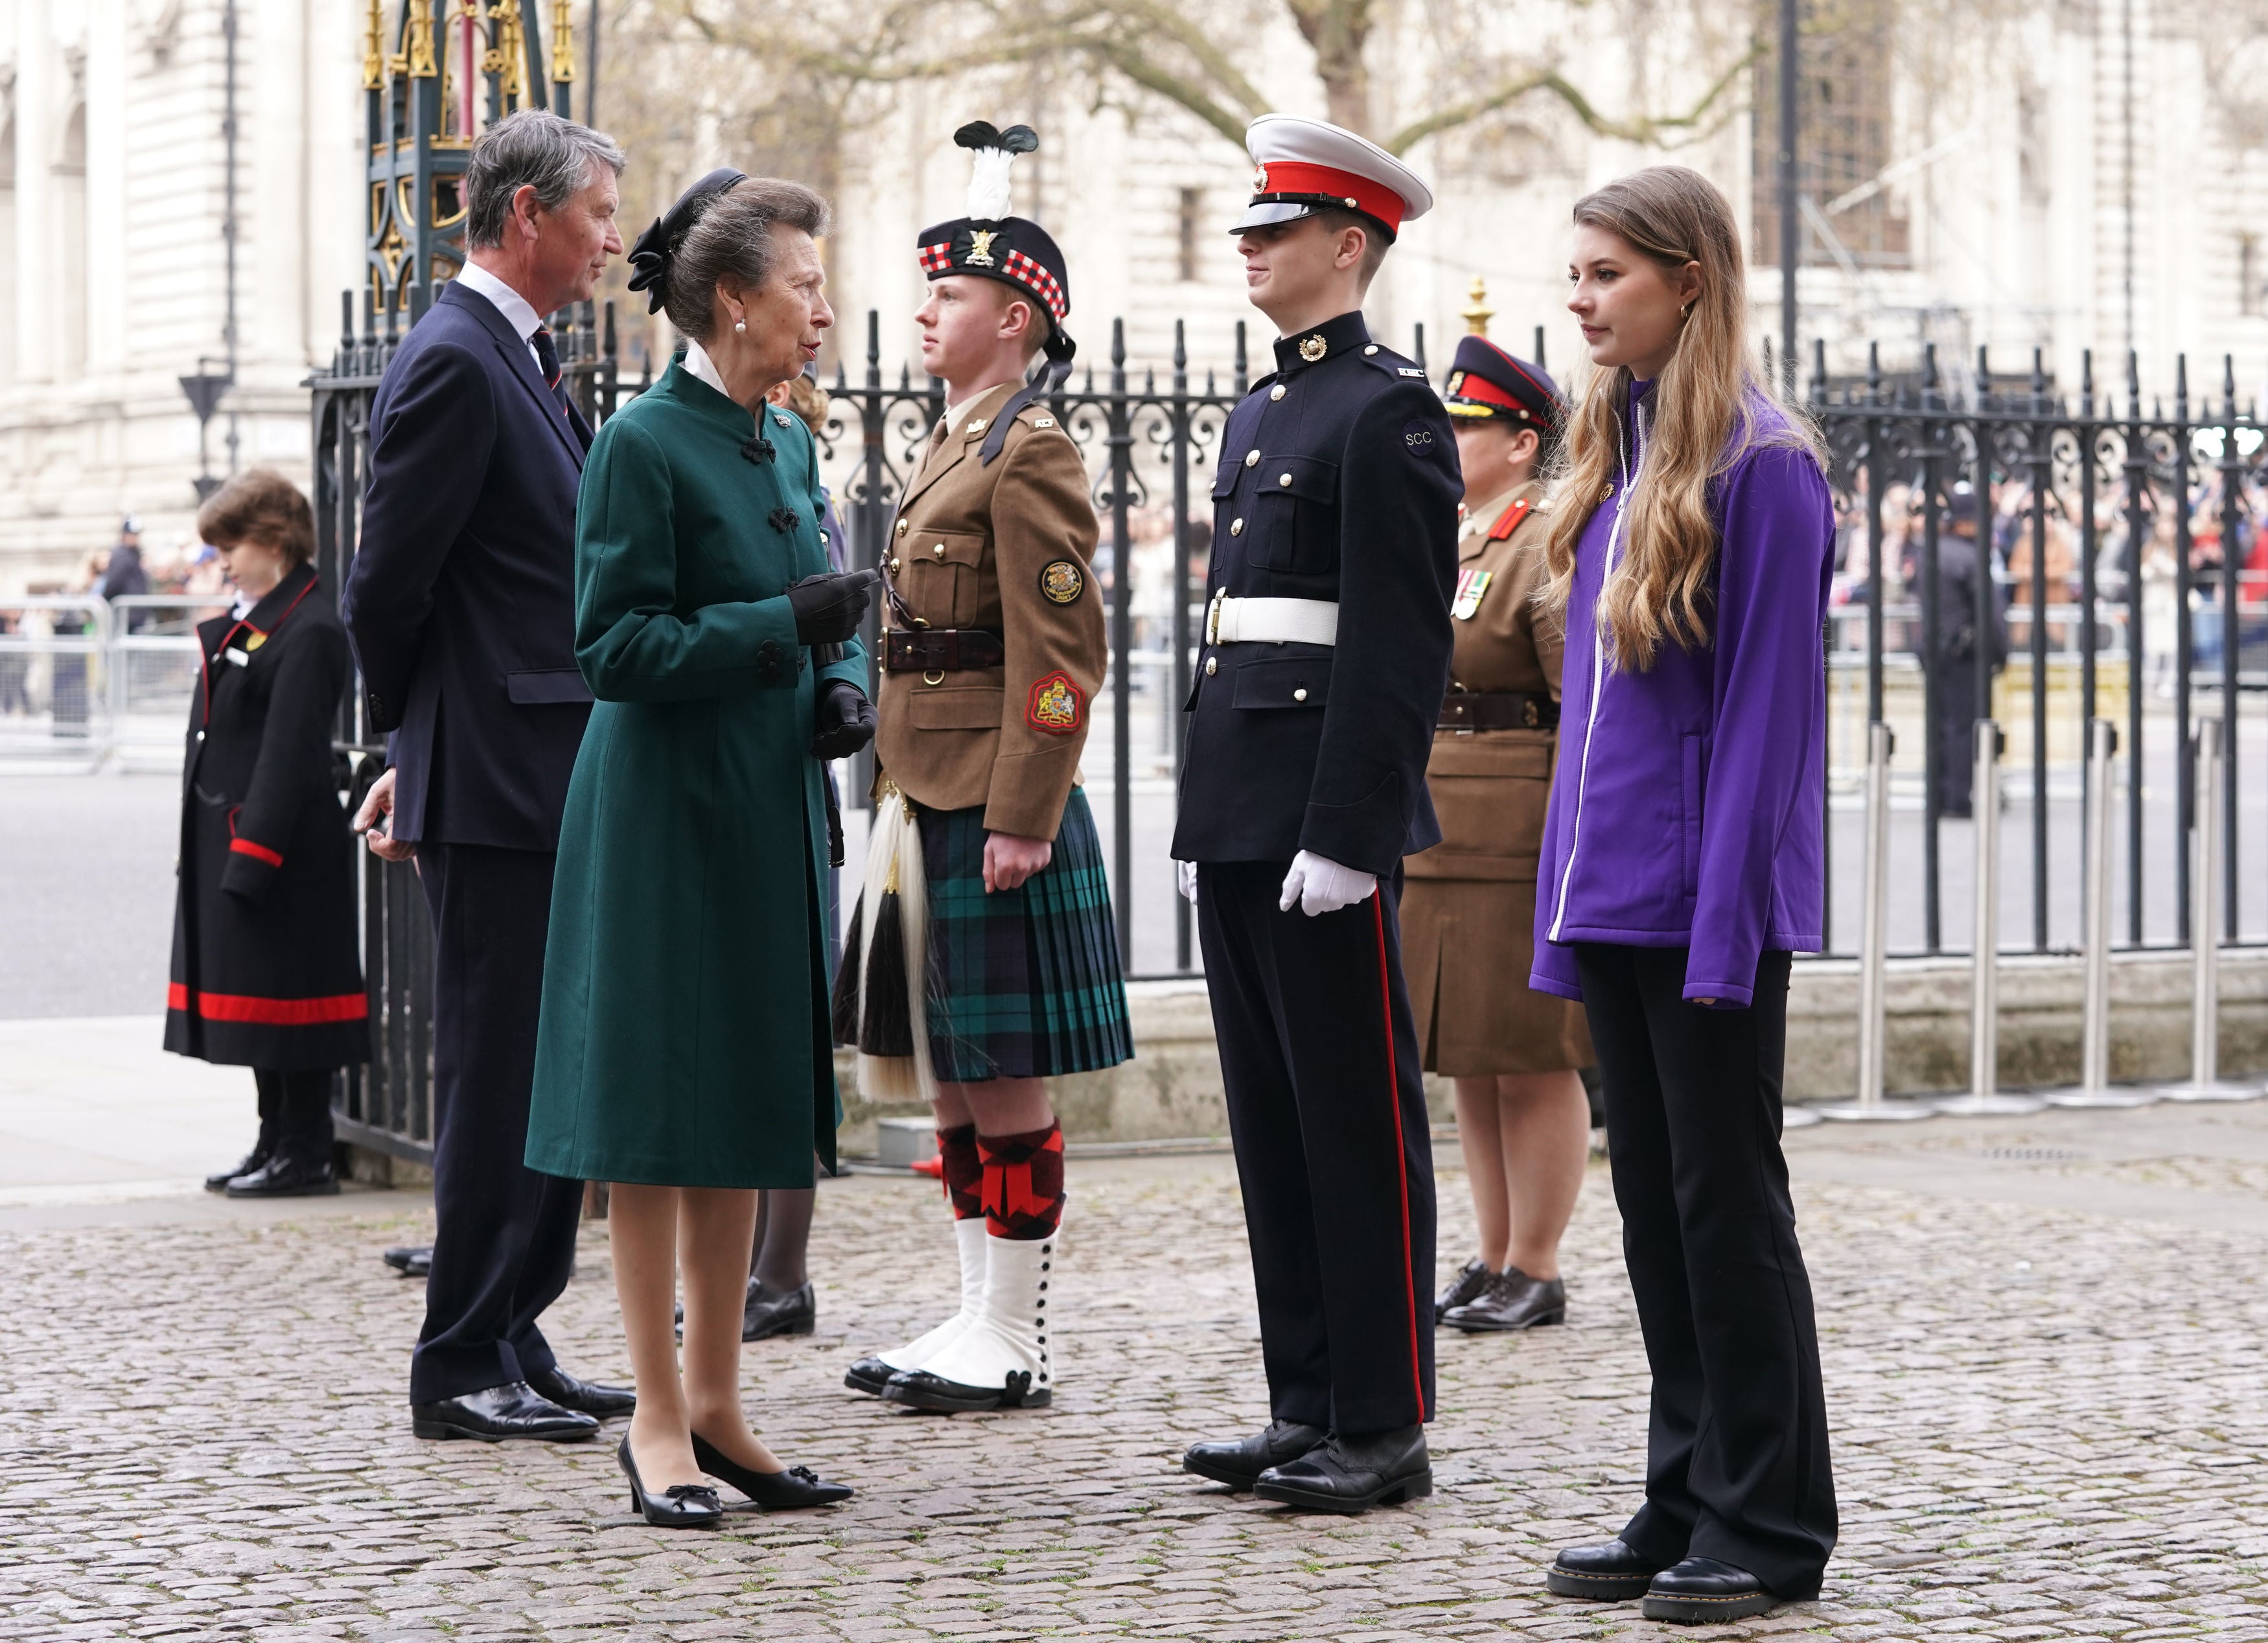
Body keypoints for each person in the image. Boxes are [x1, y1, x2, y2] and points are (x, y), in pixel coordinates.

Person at [525, 168, 872, 1526]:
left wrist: (835, 673)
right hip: (665, 810)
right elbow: (613, 648)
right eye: (803, 285)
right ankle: (656, 1418)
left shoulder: (783, 438)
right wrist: (780, 627)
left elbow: (812, 602)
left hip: (765, 799)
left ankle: (723, 1402)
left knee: (738, 1114)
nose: (824, 308)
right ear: (734, 299)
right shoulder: (644, 443)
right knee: (660, 1121)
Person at [1528, 167, 1838, 1624]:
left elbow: (1768, 727)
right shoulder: (1616, 449)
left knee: (1728, 1205)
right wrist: (1561, 916)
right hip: (1620, 897)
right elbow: (1591, 726)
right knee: (1653, 1203)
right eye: (1575, 275)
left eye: (1604, 274)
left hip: (1711, 910)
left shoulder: (1762, 463)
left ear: (1687, 280)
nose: (1579, 298)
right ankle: (1683, 1487)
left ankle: (1768, 1518)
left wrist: (1725, 930)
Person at [1168, 115, 1459, 1513]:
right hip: (1242, 810)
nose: (1248, 245)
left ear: (1349, 244)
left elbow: (1397, 648)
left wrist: (1350, 832)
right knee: (1272, 1122)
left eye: (1273, 229)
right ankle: (1305, 1402)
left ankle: (1382, 1417)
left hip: (1317, 825)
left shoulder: (1389, 409)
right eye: (1247, 226)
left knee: (1352, 1119)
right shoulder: (1262, 406)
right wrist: (1215, 813)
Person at [340, 109, 633, 1446]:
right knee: (498, 1077)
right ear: (527, 218)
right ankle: (458, 1356)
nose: (611, 243)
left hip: (537, 767)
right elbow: (385, 586)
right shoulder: (460, 358)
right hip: (502, 776)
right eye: (596, 216)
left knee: (545, 1074)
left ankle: (515, 1327)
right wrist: (416, 745)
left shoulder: (517, 353)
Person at [833, 119, 1131, 1416]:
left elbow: (1062, 652)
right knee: (950, 1073)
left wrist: (1025, 812)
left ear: (1016, 316)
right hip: (925, 790)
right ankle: (970, 1313)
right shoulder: (949, 440)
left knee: (1001, 1077)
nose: (924, 310)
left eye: (949, 293)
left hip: (993, 806)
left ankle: (1015, 1334)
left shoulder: (1032, 449)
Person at [1403, 335, 1596, 1334]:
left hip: (1520, 837)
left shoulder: (1547, 538)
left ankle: (1539, 1260)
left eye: (1466, 426)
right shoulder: (1461, 532)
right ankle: (1489, 1251)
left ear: (1522, 441)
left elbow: (1581, 707)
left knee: (1532, 1054)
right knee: (1471, 1059)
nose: (1448, 438)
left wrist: (1573, 839)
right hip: (1441, 831)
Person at [168, 470, 369, 1197]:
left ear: (275, 541)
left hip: (284, 851)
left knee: (291, 1009)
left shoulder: (311, 626)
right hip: (246, 839)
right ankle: (272, 1139)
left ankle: (306, 1151)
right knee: (260, 1009)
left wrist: (251, 859)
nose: (221, 560)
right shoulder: (262, 616)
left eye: (231, 544)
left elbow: (287, 756)